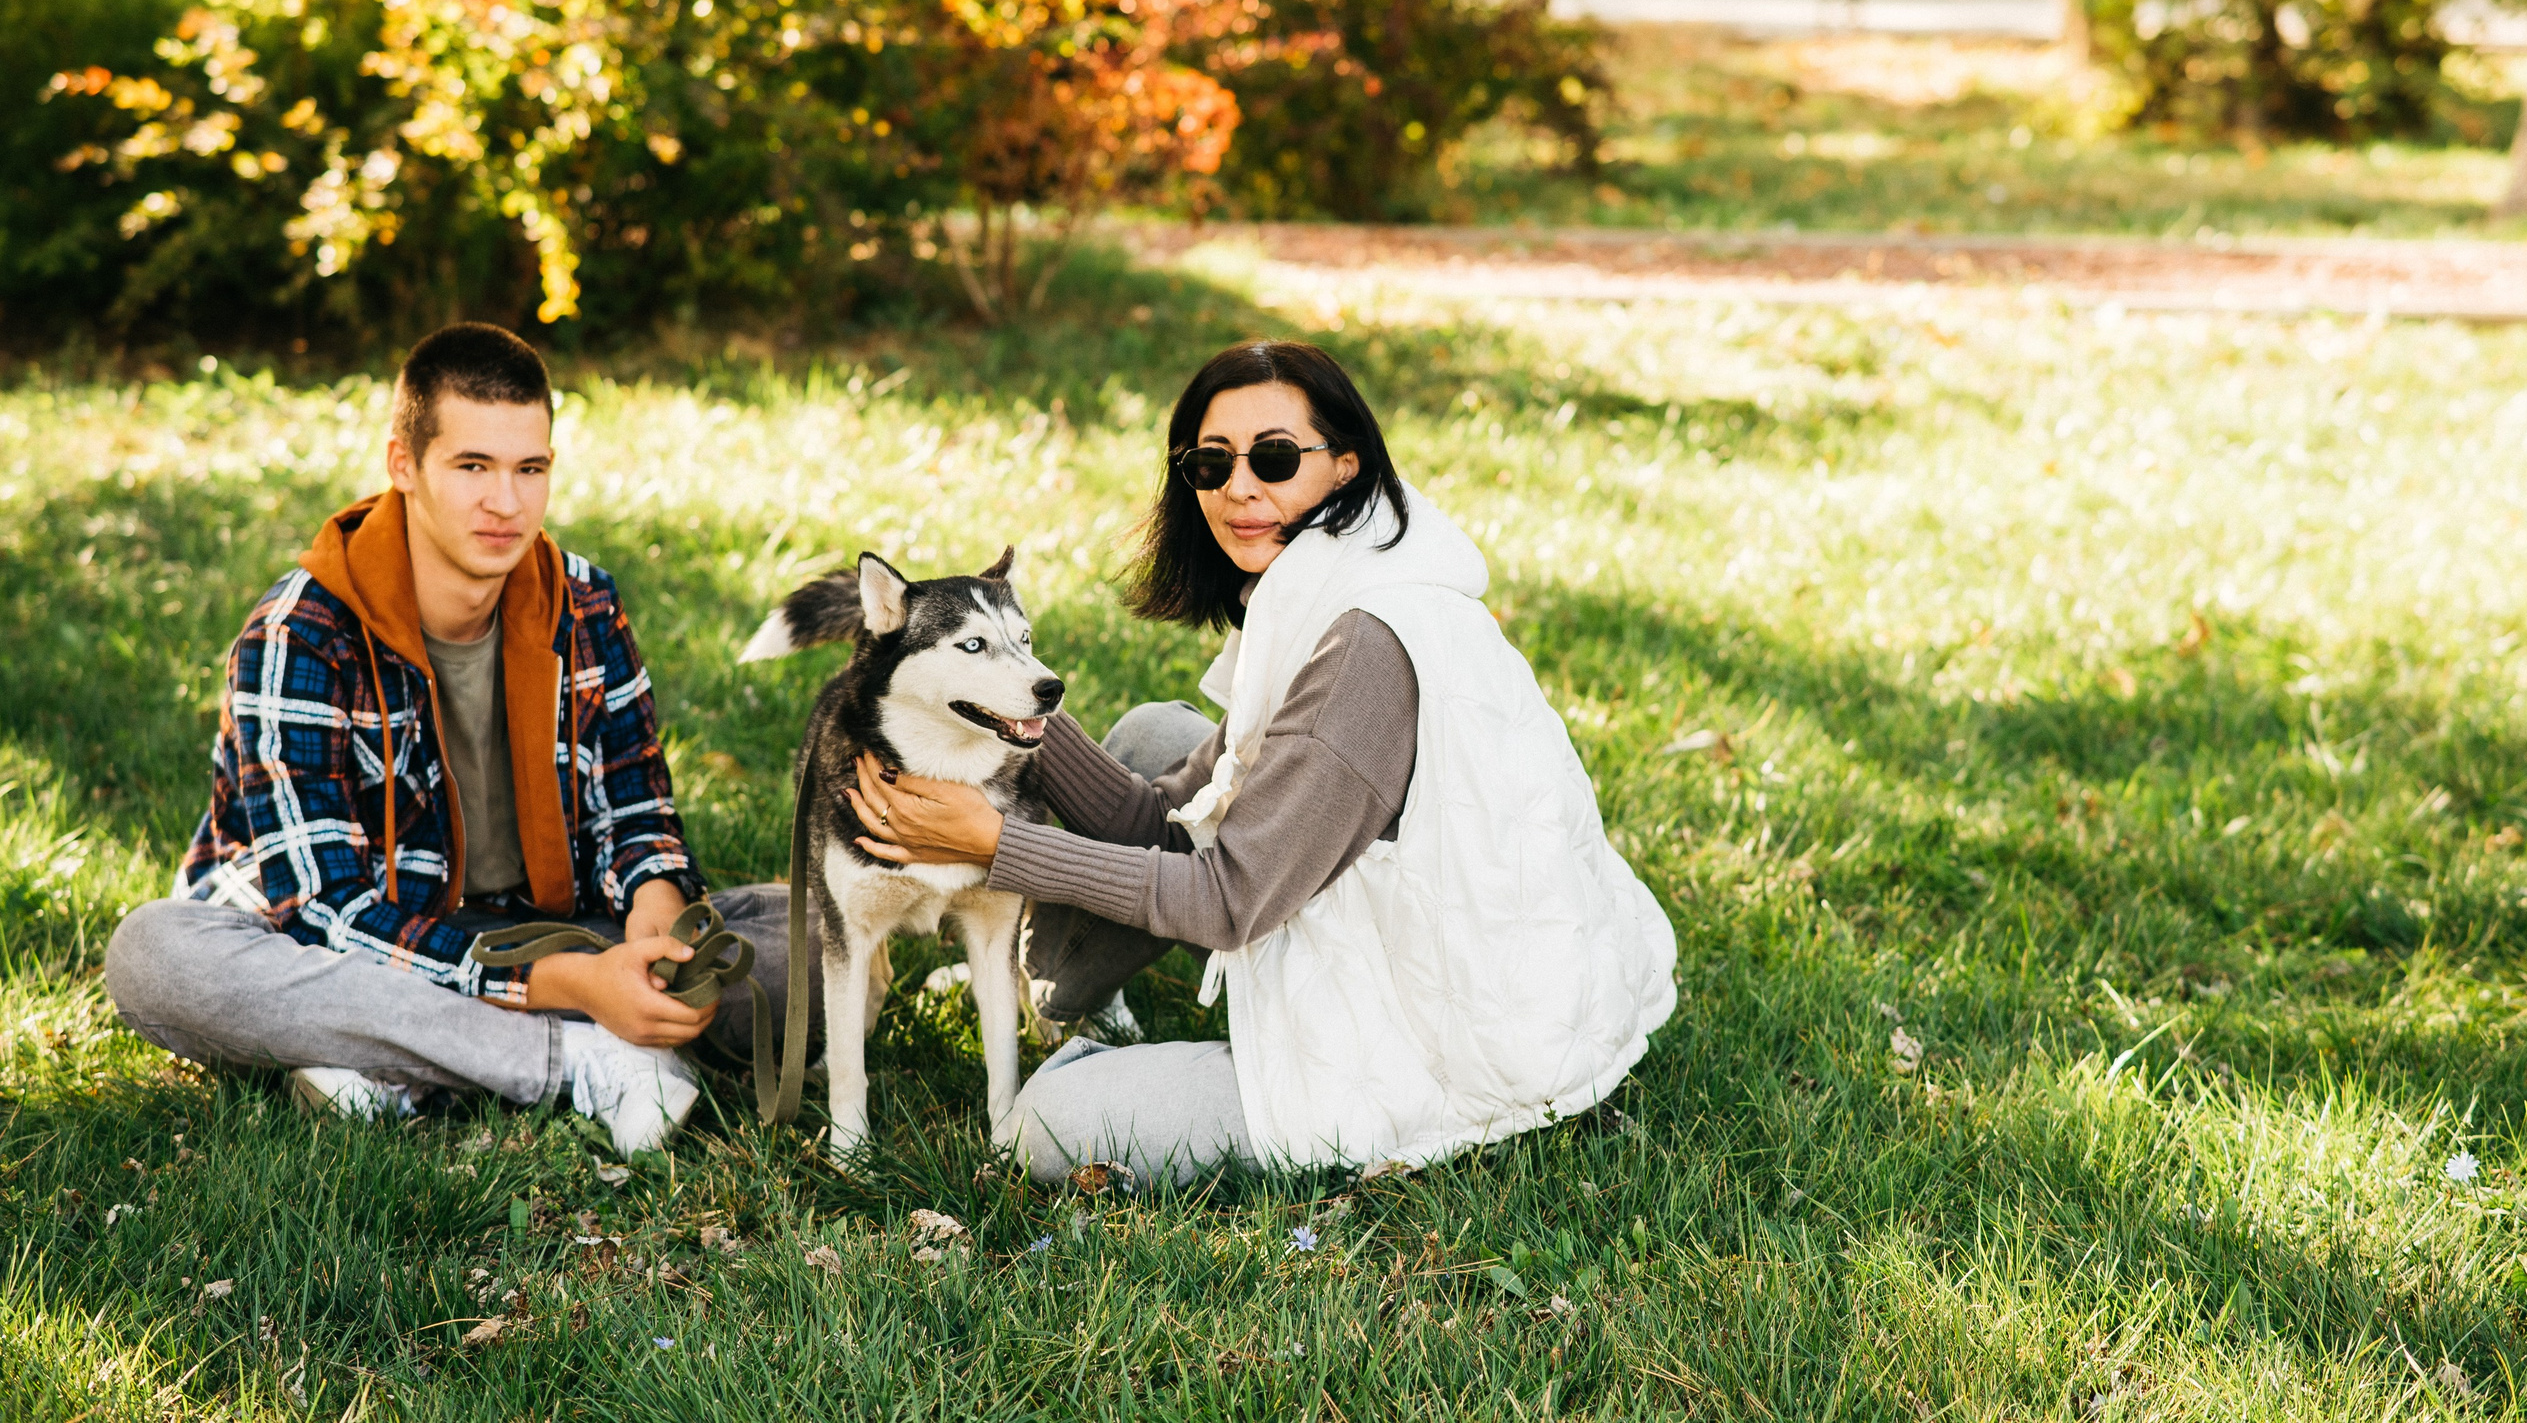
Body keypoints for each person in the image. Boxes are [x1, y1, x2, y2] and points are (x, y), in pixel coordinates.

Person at [847, 340, 1678, 1184]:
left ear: (1346, 467)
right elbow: (1168, 823)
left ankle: (1099, 1062)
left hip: (1449, 1039)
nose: (1239, 486)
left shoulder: (1363, 648)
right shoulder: (1328, 580)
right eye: (1211, 464)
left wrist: (997, 843)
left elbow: (1228, 898)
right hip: (1437, 930)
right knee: (1156, 734)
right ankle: (1072, 1004)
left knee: (1048, 1129)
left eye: (1275, 458)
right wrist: (992, 696)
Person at [102, 324, 812, 1155]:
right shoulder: (301, 633)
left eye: (530, 469)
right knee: (153, 955)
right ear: (404, 465)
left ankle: (387, 1058)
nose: (505, 504)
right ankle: (575, 1060)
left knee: (810, 950)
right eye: (472, 466)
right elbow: (327, 907)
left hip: (540, 927)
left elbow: (638, 817)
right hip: (343, 945)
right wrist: (571, 990)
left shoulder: (584, 604)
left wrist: (656, 940)